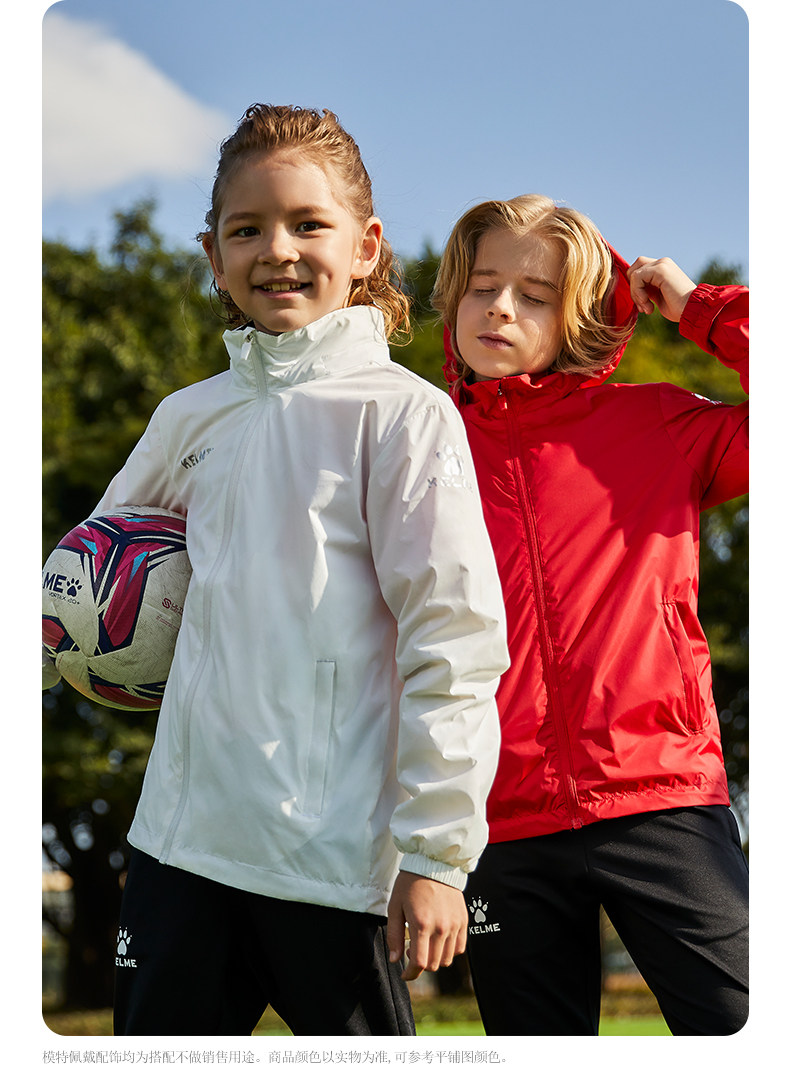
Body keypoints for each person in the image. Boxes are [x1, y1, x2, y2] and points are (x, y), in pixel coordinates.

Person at [86, 104, 509, 1036]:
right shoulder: (186, 417)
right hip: (176, 851)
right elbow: (83, 583)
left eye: (308, 224)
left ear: (365, 247)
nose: (277, 249)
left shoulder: (405, 415)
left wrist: (438, 855)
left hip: (332, 864)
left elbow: (455, 639)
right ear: (213, 256)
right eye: (247, 229)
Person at [431, 194, 749, 1036]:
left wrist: (699, 307)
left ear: (579, 318)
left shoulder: (661, 424)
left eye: (533, 295)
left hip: (661, 794)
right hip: (499, 820)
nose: (500, 307)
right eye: (482, 286)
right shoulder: (420, 450)